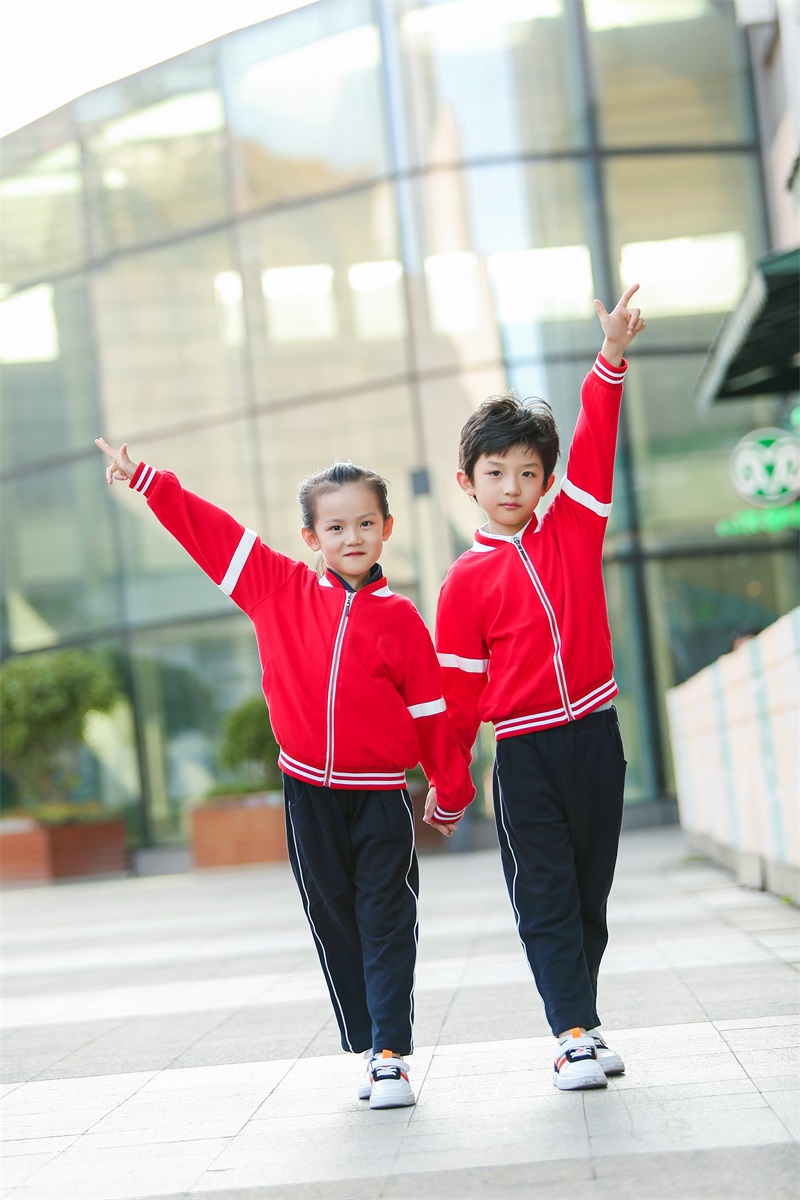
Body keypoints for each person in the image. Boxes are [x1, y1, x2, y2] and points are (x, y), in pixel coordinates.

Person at [95, 441, 474, 1108]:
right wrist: (150, 482)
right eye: (336, 526)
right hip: (308, 795)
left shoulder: (403, 620)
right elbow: (214, 534)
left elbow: (430, 713)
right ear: (311, 537)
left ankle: (390, 1054)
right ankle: (369, 1043)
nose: (352, 537)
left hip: (380, 798)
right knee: (335, 920)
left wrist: (450, 790)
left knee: (387, 919)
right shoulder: (276, 587)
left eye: (365, 523)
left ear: (387, 527)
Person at [425, 285, 646, 1091]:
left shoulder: (576, 527)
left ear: (549, 480)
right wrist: (451, 783)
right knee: (546, 895)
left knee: (589, 897)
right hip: (523, 757)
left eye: (528, 472)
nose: (512, 486)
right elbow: (457, 699)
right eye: (496, 473)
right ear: (468, 481)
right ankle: (572, 1034)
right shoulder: (463, 583)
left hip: (595, 741)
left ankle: (585, 1018)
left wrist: (610, 358)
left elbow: (595, 438)